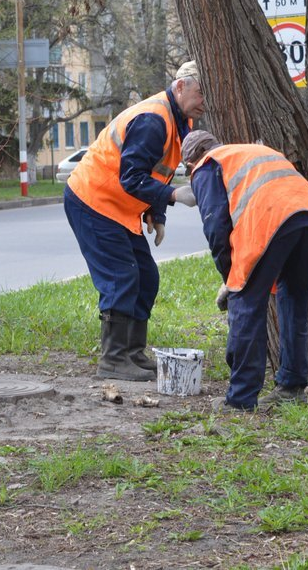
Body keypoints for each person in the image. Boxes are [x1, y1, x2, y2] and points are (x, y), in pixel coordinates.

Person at [63, 62, 204, 382]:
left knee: (146, 276)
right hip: (93, 201)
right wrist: (172, 196)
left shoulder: (182, 118)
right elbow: (132, 177)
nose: (204, 99)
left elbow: (158, 168)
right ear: (180, 87)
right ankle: (112, 359)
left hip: (117, 207)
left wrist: (157, 213)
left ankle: (132, 352)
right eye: (200, 91)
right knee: (121, 275)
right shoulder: (154, 119)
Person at [181, 130, 308, 412]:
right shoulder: (250, 152)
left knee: (245, 306)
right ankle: (292, 387)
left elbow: (215, 226)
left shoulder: (207, 165)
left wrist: (231, 281)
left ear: (190, 163)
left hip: (270, 218)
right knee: (293, 302)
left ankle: (241, 399)